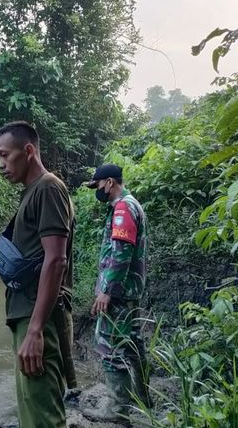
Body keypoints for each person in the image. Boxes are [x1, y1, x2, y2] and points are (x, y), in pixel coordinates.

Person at [0, 121, 75, 427]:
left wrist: (35, 331)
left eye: (5, 155)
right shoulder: (31, 192)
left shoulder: (49, 188)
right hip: (27, 312)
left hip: (38, 316)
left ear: (28, 151)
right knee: (31, 407)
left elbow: (56, 260)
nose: (1, 165)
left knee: (42, 414)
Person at [82, 164, 151, 424]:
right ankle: (145, 398)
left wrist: (106, 291)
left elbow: (121, 253)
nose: (97, 191)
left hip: (119, 292)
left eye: (98, 186)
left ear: (110, 182)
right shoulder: (131, 205)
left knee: (110, 346)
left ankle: (118, 408)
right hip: (129, 289)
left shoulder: (123, 208)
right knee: (133, 344)